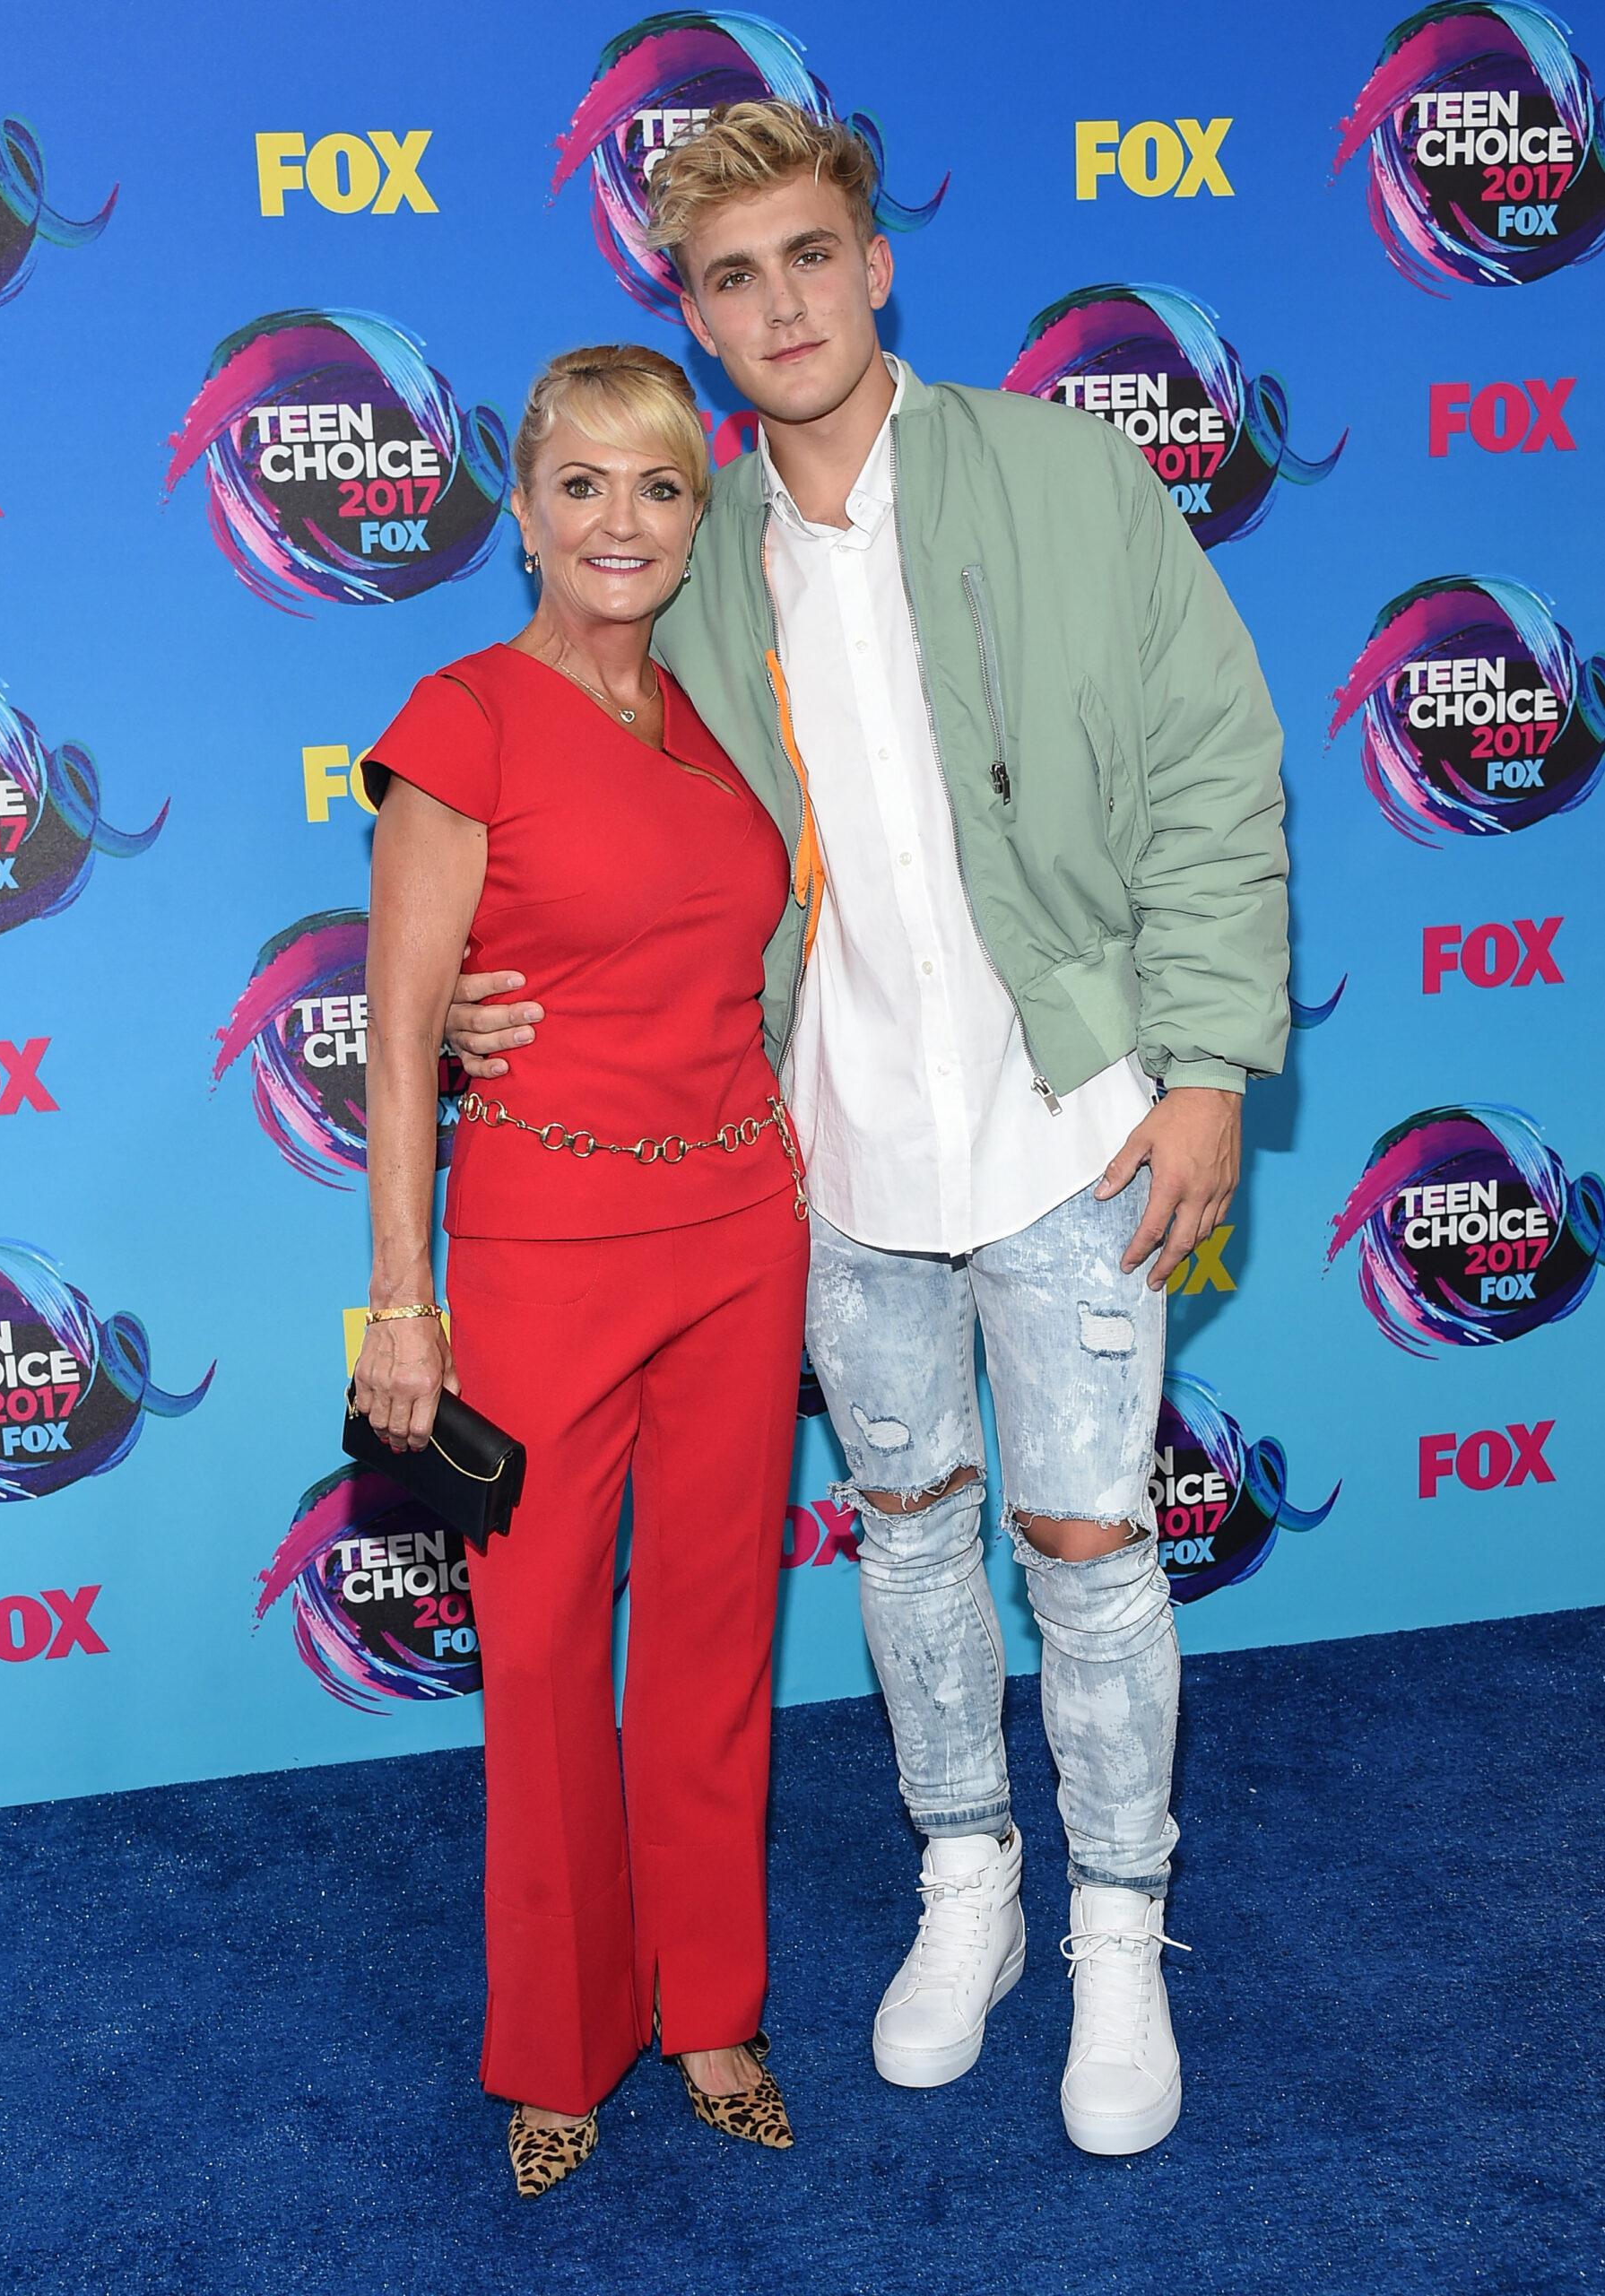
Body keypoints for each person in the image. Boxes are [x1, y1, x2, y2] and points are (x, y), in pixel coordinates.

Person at [447, 101, 1289, 2159]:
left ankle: (1114, 1922)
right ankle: (967, 1879)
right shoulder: (698, 545)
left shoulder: (1066, 472)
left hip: (1078, 1115)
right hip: (821, 1144)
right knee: (904, 1529)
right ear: (693, 309)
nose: (778, 304)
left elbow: (1211, 759)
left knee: (1087, 1545)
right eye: (731, 277)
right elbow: (594, 797)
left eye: (810, 255)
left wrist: (1204, 1064)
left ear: (877, 260)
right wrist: (478, 983)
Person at [353, 344, 810, 2198]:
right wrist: (403, 1296)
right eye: (582, 487)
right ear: (523, 510)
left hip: (740, 1232)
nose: (620, 521)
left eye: (660, 487)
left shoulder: (714, 717)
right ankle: (556, 2040)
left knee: (712, 1635)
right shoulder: (462, 716)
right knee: (542, 1648)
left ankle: (706, 2000)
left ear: (701, 519)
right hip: (543, 1236)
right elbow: (399, 1035)